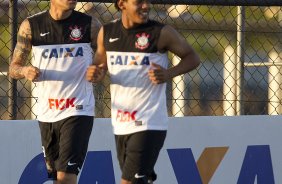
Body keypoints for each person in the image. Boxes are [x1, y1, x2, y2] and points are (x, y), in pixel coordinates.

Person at [86, 0, 200, 183]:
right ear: (121, 4)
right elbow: (99, 67)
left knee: (128, 181)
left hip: (149, 123)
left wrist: (169, 73)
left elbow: (192, 57)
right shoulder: (107, 32)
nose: (146, 6)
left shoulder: (161, 32)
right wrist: (95, 73)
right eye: (139, 2)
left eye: (147, 2)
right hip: (121, 123)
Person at [9, 0, 101, 183]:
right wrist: (25, 71)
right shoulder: (31, 26)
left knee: (66, 176)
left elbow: (106, 56)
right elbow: (13, 67)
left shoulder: (90, 25)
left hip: (78, 109)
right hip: (47, 112)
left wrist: (99, 69)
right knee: (55, 177)